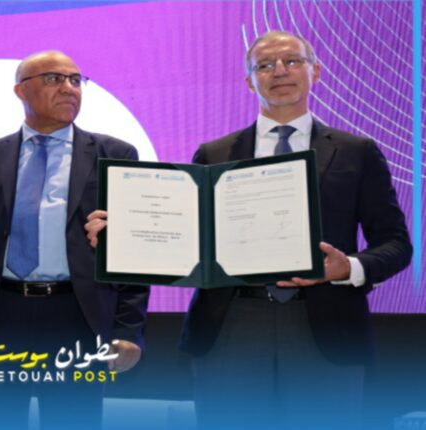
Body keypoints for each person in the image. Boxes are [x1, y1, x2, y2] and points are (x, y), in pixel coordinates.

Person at [85, 31, 412, 430]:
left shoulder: (357, 151)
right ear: (249, 81)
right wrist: (124, 235)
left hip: (325, 329)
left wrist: (349, 268)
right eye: (264, 65)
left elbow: (396, 243)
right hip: (230, 326)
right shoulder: (214, 153)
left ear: (316, 71)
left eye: (292, 61)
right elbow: (188, 241)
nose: (279, 71)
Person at [0, 50, 149, 430]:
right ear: (21, 90)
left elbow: (134, 251)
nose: (68, 88)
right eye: (53, 78)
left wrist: (127, 330)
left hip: (77, 318)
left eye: (76, 80)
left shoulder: (115, 154)